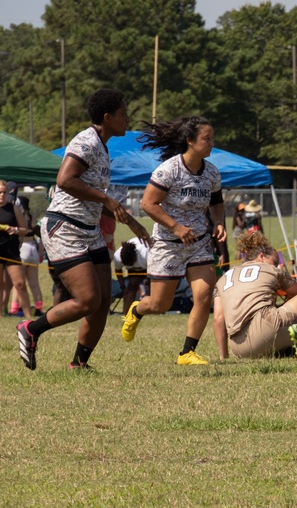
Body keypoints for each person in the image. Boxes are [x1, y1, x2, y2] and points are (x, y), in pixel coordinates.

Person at [16, 89, 149, 371]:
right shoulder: (86, 142)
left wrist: (131, 221)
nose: (127, 118)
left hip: (90, 231)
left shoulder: (102, 146)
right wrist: (107, 198)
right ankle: (31, 329)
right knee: (87, 300)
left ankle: (79, 363)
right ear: (107, 117)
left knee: (101, 302)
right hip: (65, 229)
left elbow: (90, 194)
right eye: (123, 114)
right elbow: (64, 180)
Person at [120, 116, 227, 366]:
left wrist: (219, 222)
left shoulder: (211, 172)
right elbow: (148, 203)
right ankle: (136, 310)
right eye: (207, 139)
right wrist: (176, 227)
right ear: (190, 141)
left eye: (213, 138)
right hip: (168, 245)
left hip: (199, 243)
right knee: (159, 304)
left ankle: (187, 353)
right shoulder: (169, 170)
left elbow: (216, 201)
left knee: (203, 295)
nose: (212, 143)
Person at [214, 230, 297, 360]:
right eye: (275, 261)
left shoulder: (224, 278)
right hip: (266, 333)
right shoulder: (271, 270)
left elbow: (218, 318)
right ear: (261, 256)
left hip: (239, 349)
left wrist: (224, 356)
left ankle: (282, 351)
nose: (277, 265)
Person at [1, 181, 34, 320]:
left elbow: (24, 230)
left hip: (12, 252)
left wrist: (14, 230)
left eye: (4, 192)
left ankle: (28, 316)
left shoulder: (13, 208)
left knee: (20, 284)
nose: (2, 195)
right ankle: (1, 315)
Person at [13, 195, 44, 316]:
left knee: (18, 283)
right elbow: (41, 237)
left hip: (23, 248)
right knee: (34, 284)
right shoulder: (34, 219)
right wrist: (41, 252)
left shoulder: (20, 218)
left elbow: (20, 236)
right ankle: (39, 308)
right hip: (33, 250)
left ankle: (14, 309)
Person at [113, 237, 150, 314]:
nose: (131, 265)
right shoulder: (117, 256)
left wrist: (146, 282)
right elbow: (118, 270)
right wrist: (123, 287)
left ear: (134, 257)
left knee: (144, 289)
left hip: (149, 268)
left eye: (131, 263)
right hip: (133, 272)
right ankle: (126, 313)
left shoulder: (146, 254)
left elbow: (155, 270)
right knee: (130, 289)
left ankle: (147, 310)